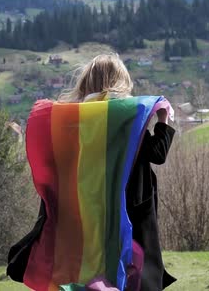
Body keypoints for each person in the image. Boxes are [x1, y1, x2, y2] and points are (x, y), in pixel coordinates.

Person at [61, 54, 177, 290]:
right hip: (133, 208)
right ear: (120, 82)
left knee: (98, 270)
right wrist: (163, 121)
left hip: (91, 208)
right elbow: (157, 154)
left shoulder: (77, 118)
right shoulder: (126, 118)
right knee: (137, 273)